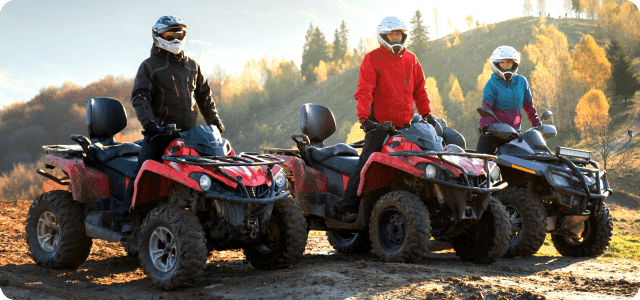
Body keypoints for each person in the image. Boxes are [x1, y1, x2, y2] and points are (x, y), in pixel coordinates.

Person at [341, 16, 432, 222]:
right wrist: (364, 118)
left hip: (407, 126)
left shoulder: (411, 59)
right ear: (383, 36)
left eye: (398, 34)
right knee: (365, 163)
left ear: (404, 35)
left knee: (420, 163)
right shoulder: (372, 58)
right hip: (380, 125)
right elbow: (365, 90)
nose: (395, 37)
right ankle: (348, 207)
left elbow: (420, 90)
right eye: (391, 34)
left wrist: (426, 114)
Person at [125, 15, 224, 204]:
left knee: (213, 172)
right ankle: (126, 217)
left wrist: (214, 121)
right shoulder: (149, 66)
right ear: (158, 37)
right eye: (170, 35)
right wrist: (149, 124)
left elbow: (204, 97)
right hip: (159, 135)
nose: (176, 39)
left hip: (191, 135)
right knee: (142, 173)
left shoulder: (193, 66)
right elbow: (140, 97)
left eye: (180, 34)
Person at [477, 45, 541, 154]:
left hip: (514, 134)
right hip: (493, 132)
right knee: (481, 161)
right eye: (502, 62)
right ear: (496, 64)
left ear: (514, 64)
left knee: (523, 164)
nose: (506, 66)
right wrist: (485, 126)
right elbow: (487, 107)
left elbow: (529, 106)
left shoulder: (522, 82)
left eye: (509, 62)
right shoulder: (491, 84)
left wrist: (536, 123)